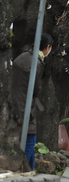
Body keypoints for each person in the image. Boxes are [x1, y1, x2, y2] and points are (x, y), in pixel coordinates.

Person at [12, 33, 53, 171]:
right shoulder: (36, 62)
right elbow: (36, 88)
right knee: (30, 138)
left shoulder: (21, 57)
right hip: (26, 105)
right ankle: (22, 168)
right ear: (47, 47)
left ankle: (30, 172)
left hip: (14, 103)